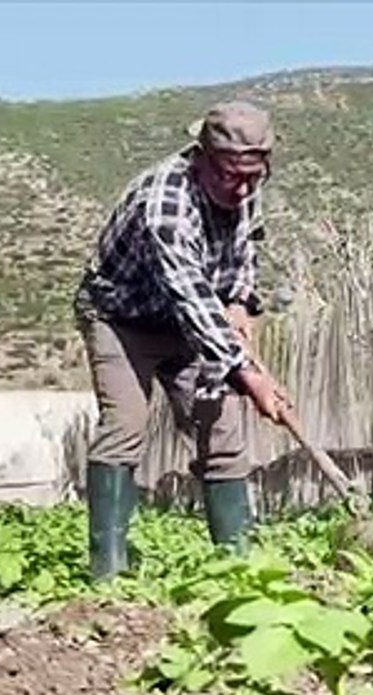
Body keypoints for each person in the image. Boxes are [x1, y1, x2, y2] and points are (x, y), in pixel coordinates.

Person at [72, 99, 287, 580]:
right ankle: (107, 571)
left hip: (188, 322)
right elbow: (189, 292)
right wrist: (250, 375)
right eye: (231, 175)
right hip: (121, 319)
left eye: (252, 175)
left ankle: (236, 573)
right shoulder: (166, 204)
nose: (242, 187)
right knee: (126, 426)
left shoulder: (245, 186)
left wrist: (239, 302)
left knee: (223, 435)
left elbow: (244, 245)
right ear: (203, 158)